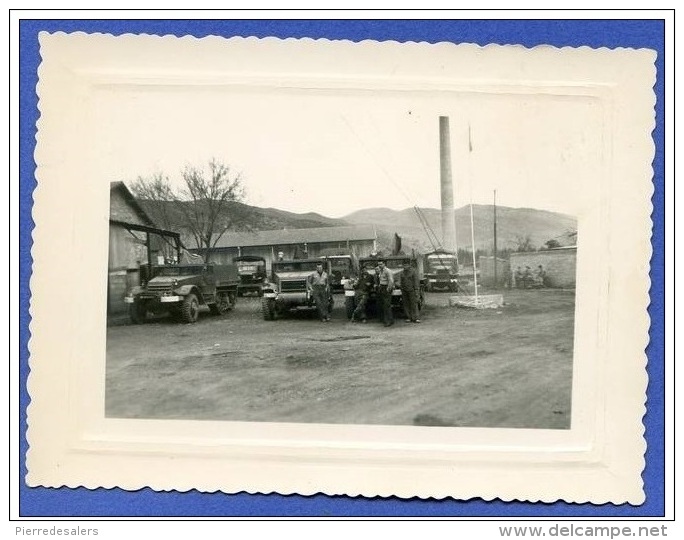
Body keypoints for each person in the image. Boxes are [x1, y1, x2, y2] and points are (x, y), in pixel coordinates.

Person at [376, 259, 395, 327]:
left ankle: (388, 321)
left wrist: (388, 289)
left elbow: (391, 281)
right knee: (383, 305)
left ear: (384, 264)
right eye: (378, 264)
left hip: (386, 288)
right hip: (382, 287)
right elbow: (381, 280)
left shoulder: (388, 271)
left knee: (387, 305)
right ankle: (390, 319)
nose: (379, 265)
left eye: (381, 264)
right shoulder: (381, 271)